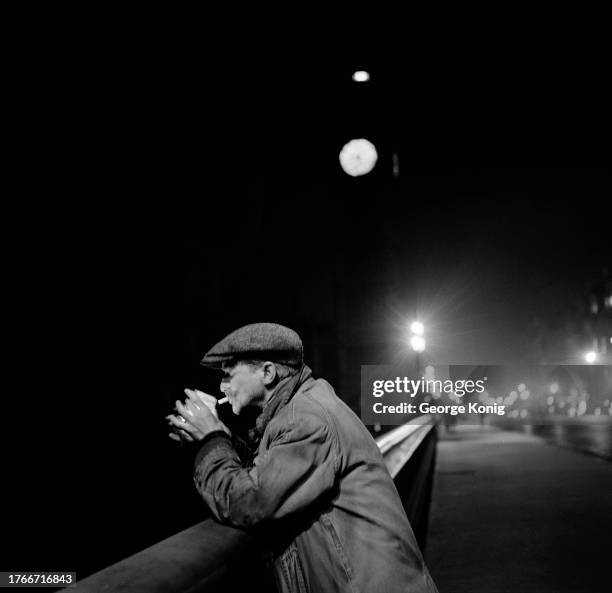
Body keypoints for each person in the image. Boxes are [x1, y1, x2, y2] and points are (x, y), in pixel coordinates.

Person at [167, 322, 438, 593]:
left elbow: (248, 503)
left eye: (229, 375)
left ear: (267, 373)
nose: (222, 386)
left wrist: (211, 440)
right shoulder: (301, 409)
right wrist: (217, 438)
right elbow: (270, 471)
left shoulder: (306, 418)